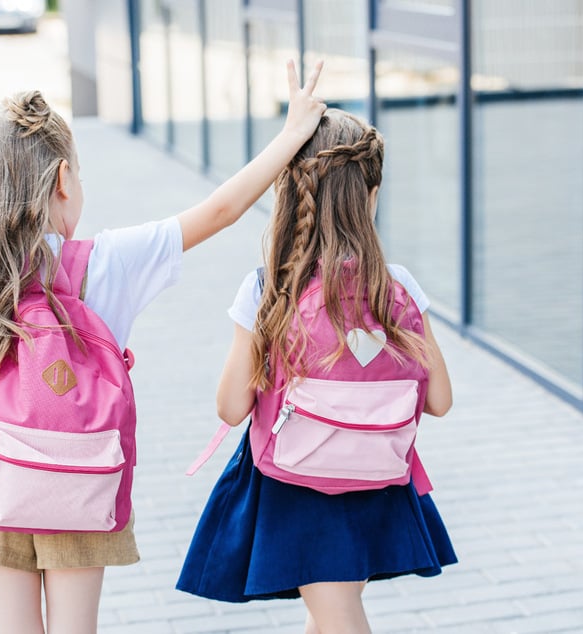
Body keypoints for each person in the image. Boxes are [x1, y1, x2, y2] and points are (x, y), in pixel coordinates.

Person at [0, 60, 327, 634]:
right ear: (64, 180)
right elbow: (221, 210)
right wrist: (292, 133)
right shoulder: (109, 263)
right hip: (83, 481)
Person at [176, 108, 457, 634]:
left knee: (336, 620)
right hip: (377, 476)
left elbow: (231, 407)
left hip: (296, 483)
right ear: (371, 198)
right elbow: (439, 399)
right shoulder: (396, 287)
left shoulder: (267, 290)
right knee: (330, 614)